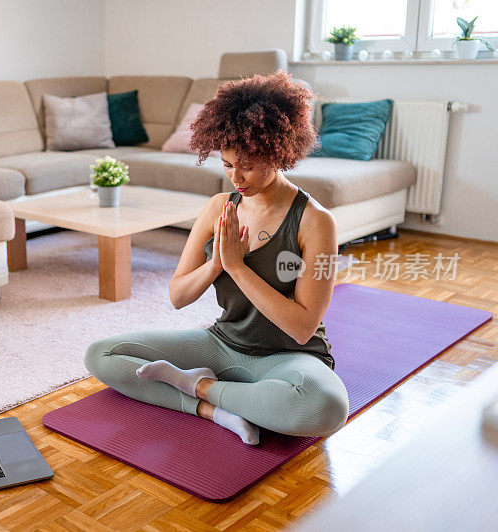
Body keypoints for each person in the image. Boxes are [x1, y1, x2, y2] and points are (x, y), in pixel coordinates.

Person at [84, 70, 349, 445]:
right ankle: (216, 409)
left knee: (325, 407)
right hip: (222, 345)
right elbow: (178, 296)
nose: (236, 176)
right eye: (226, 164)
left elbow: (303, 327)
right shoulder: (217, 208)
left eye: (248, 164)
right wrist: (216, 264)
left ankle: (198, 387)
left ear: (279, 151)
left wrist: (239, 267)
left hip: (289, 357)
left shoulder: (316, 221)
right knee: (102, 354)